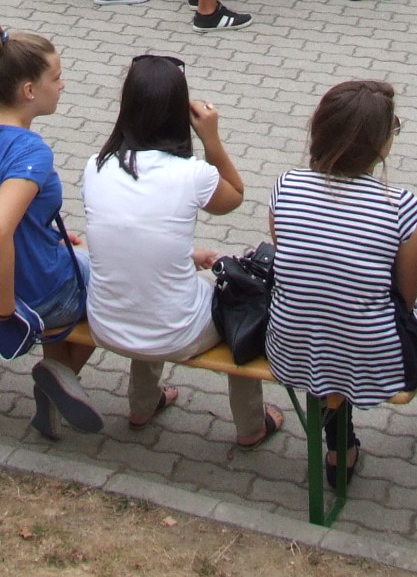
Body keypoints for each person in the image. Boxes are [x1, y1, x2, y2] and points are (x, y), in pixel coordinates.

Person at [80, 54, 277, 446]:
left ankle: (142, 405)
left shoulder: (95, 166)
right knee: (239, 303)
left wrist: (187, 255)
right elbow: (235, 195)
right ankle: (251, 426)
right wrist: (211, 139)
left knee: (152, 288)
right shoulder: (192, 174)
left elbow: (134, 236)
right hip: (175, 332)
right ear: (178, 112)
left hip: (106, 322)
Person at [267, 79, 417, 481]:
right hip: (372, 361)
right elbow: (405, 299)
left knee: (326, 334)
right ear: (379, 144)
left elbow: (298, 269)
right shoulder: (401, 206)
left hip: (291, 348)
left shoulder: (285, 187)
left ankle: (340, 450)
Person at [0, 20, 100, 441]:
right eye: (56, 77)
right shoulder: (31, 152)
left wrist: (44, 234)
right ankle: (58, 377)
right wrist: (6, 308)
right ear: (29, 90)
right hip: (32, 294)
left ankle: (52, 399)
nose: (63, 85)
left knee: (71, 258)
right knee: (123, 287)